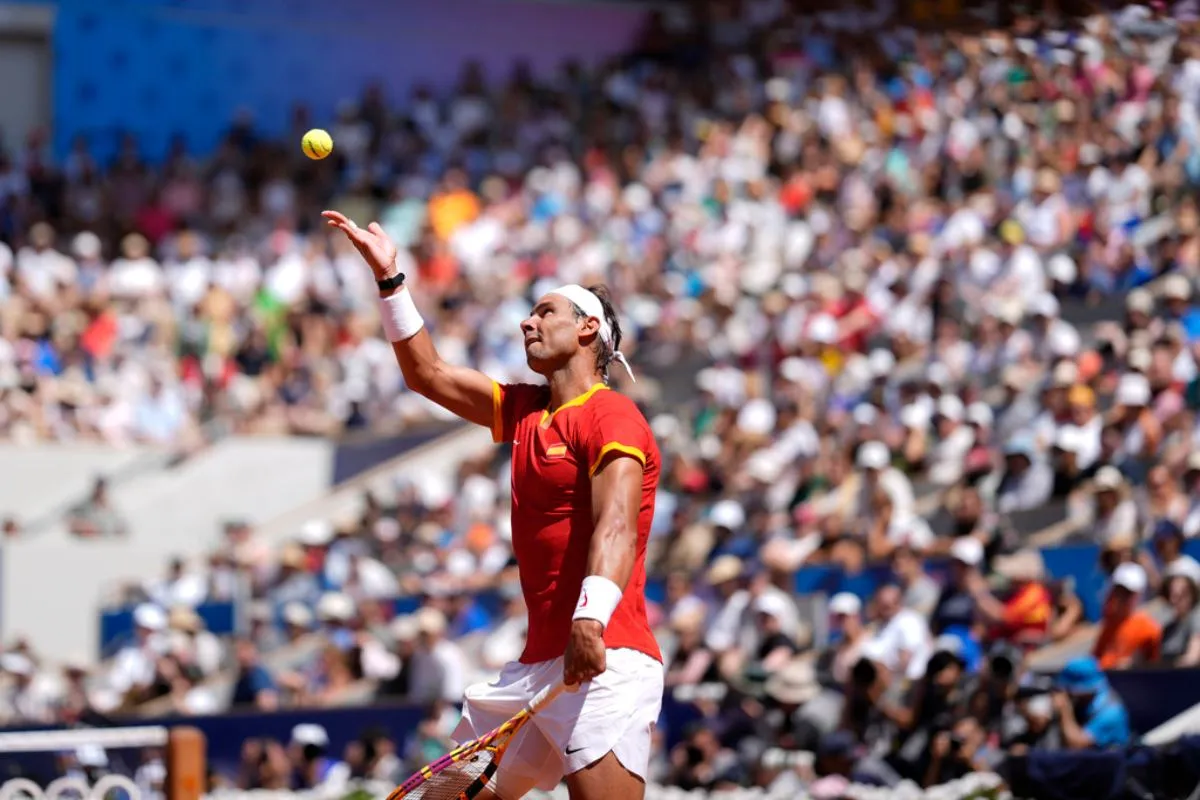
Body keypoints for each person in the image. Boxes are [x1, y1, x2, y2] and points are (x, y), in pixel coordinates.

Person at [324, 209, 663, 800]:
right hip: (535, 667)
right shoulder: (529, 411)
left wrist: (590, 618)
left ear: (588, 330)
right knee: (444, 797)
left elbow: (617, 526)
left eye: (545, 311)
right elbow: (426, 374)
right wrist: (390, 279)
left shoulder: (612, 414)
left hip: (606, 655)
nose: (528, 322)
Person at [1052, 656, 1132, 751]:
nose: (1066, 693)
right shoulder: (1084, 701)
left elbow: (1076, 744)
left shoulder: (1111, 712)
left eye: (1069, 689)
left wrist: (1064, 710)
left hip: (1106, 763)